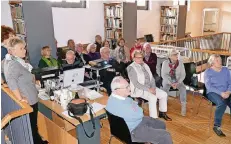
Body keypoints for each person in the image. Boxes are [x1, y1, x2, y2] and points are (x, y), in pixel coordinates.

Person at [3, 37, 48, 144]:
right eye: (21, 48)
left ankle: (39, 141)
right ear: (12, 50)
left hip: (29, 96)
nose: (24, 50)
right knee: (32, 127)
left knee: (33, 126)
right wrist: (20, 98)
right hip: (28, 100)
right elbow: (11, 81)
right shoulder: (13, 64)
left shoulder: (9, 60)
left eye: (24, 48)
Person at [106, 76, 172, 144]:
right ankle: (152, 139)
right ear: (117, 90)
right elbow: (140, 113)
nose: (129, 88)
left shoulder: (114, 97)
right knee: (165, 136)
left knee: (161, 124)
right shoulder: (120, 105)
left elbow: (134, 105)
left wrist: (134, 106)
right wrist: (135, 107)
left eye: (128, 85)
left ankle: (152, 140)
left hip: (133, 123)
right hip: (133, 130)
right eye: (126, 87)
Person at [127, 50, 171, 121]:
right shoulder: (131, 68)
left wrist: (153, 87)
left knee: (164, 94)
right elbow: (136, 83)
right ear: (134, 58)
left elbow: (152, 78)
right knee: (153, 98)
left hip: (150, 87)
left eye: (141, 57)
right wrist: (149, 89)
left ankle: (162, 113)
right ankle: (153, 119)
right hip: (139, 89)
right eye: (137, 57)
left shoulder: (145, 65)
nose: (140, 59)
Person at [204, 54, 231, 137]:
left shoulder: (226, 70)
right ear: (212, 63)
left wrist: (229, 91)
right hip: (213, 92)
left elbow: (230, 83)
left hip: (226, 92)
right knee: (221, 103)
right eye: (217, 60)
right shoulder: (208, 72)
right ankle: (217, 126)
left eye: (220, 60)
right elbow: (209, 87)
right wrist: (221, 93)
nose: (220, 62)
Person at [161, 49, 187, 116]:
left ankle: (183, 106)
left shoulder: (180, 63)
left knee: (183, 89)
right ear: (170, 56)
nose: (176, 55)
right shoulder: (165, 63)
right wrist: (170, 83)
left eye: (176, 54)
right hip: (168, 80)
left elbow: (183, 75)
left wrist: (178, 82)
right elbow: (163, 75)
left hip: (178, 80)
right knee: (165, 89)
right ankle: (164, 106)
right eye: (174, 54)